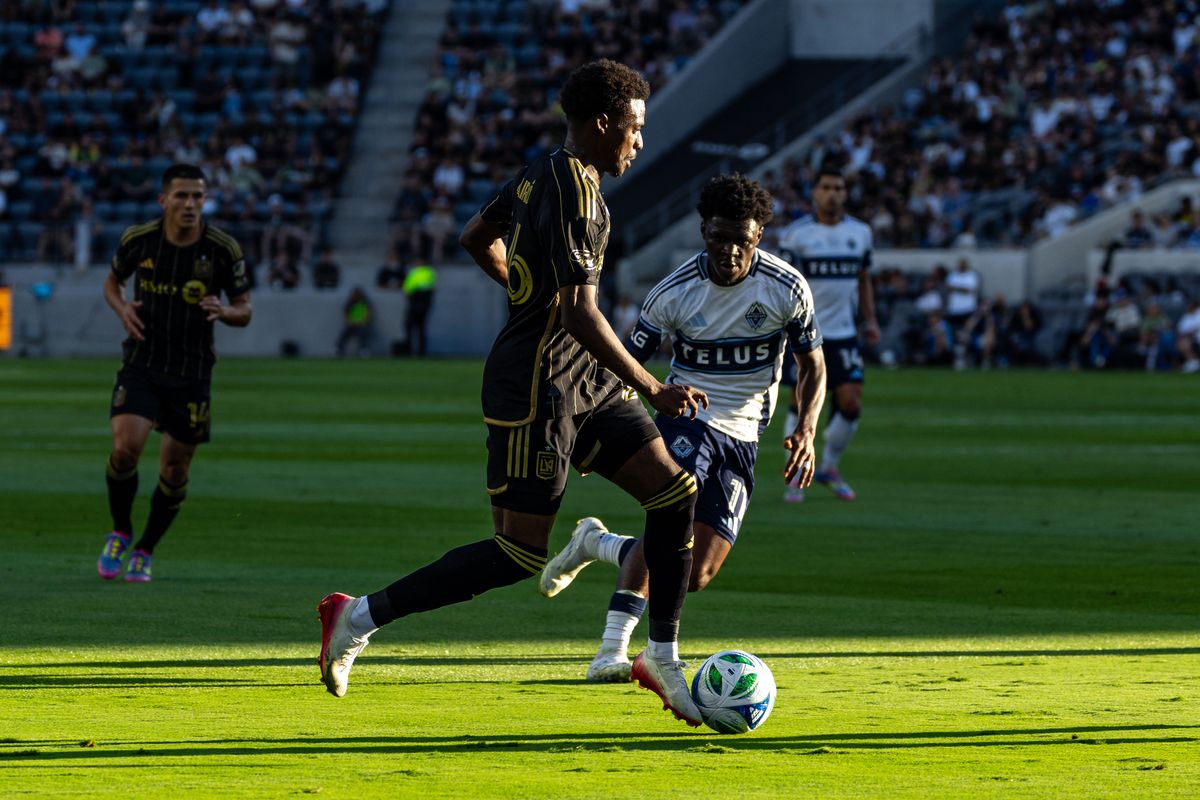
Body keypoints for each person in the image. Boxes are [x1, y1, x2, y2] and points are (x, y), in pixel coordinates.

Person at [315, 60, 709, 726]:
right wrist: (651, 384)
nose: (639, 143)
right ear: (604, 122)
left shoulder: (539, 171)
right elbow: (582, 313)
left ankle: (661, 655)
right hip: (539, 386)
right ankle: (356, 617)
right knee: (519, 551)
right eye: (634, 128)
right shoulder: (579, 194)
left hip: (584, 377)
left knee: (675, 493)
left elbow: (476, 236)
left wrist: (527, 299)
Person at [538, 173, 826, 682]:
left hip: (744, 436)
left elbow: (813, 365)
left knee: (697, 572)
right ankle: (611, 650)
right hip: (687, 419)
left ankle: (595, 543)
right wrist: (591, 435)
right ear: (703, 232)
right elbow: (621, 367)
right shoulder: (673, 293)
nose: (730, 250)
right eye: (720, 237)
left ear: (758, 236)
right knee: (670, 519)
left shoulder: (786, 288)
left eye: (742, 239)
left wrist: (805, 429)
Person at [96, 163, 252, 582]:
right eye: (181, 195)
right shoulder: (139, 240)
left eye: (198, 196)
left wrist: (226, 311)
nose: (190, 204)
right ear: (163, 200)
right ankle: (120, 530)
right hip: (143, 363)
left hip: (192, 371)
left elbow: (245, 309)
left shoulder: (222, 249)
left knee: (175, 469)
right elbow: (112, 283)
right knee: (126, 448)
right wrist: (122, 306)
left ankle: (145, 548)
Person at [777, 164, 879, 502]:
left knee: (850, 402)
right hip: (805, 334)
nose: (833, 193)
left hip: (844, 333)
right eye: (827, 187)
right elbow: (785, 287)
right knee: (799, 402)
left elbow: (863, 280)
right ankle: (796, 471)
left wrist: (870, 320)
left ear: (845, 194)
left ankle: (829, 467)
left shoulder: (861, 233)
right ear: (816, 192)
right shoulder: (797, 235)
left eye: (838, 187)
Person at [402, 260, 437, 356]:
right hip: (422, 301)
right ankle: (420, 351)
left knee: (411, 326)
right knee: (420, 327)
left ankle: (410, 350)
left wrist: (410, 294)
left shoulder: (417, 272)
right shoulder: (429, 272)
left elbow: (408, 287)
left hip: (417, 300)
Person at [335, 286, 373, 356]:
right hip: (352, 325)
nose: (356, 296)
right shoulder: (349, 304)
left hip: (362, 325)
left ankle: (363, 349)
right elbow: (346, 317)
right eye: (355, 294)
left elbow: (368, 317)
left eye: (358, 294)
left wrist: (361, 323)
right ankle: (338, 349)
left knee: (363, 332)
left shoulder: (365, 304)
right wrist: (352, 323)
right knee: (344, 332)